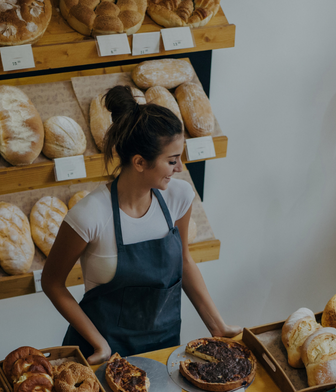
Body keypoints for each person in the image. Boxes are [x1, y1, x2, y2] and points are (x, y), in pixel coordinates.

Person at [42, 86, 240, 364]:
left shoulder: (179, 197)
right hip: (101, 356)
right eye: (172, 161)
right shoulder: (90, 215)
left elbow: (184, 261)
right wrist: (98, 343)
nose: (180, 168)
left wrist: (217, 325)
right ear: (139, 162)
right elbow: (51, 282)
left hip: (163, 349)